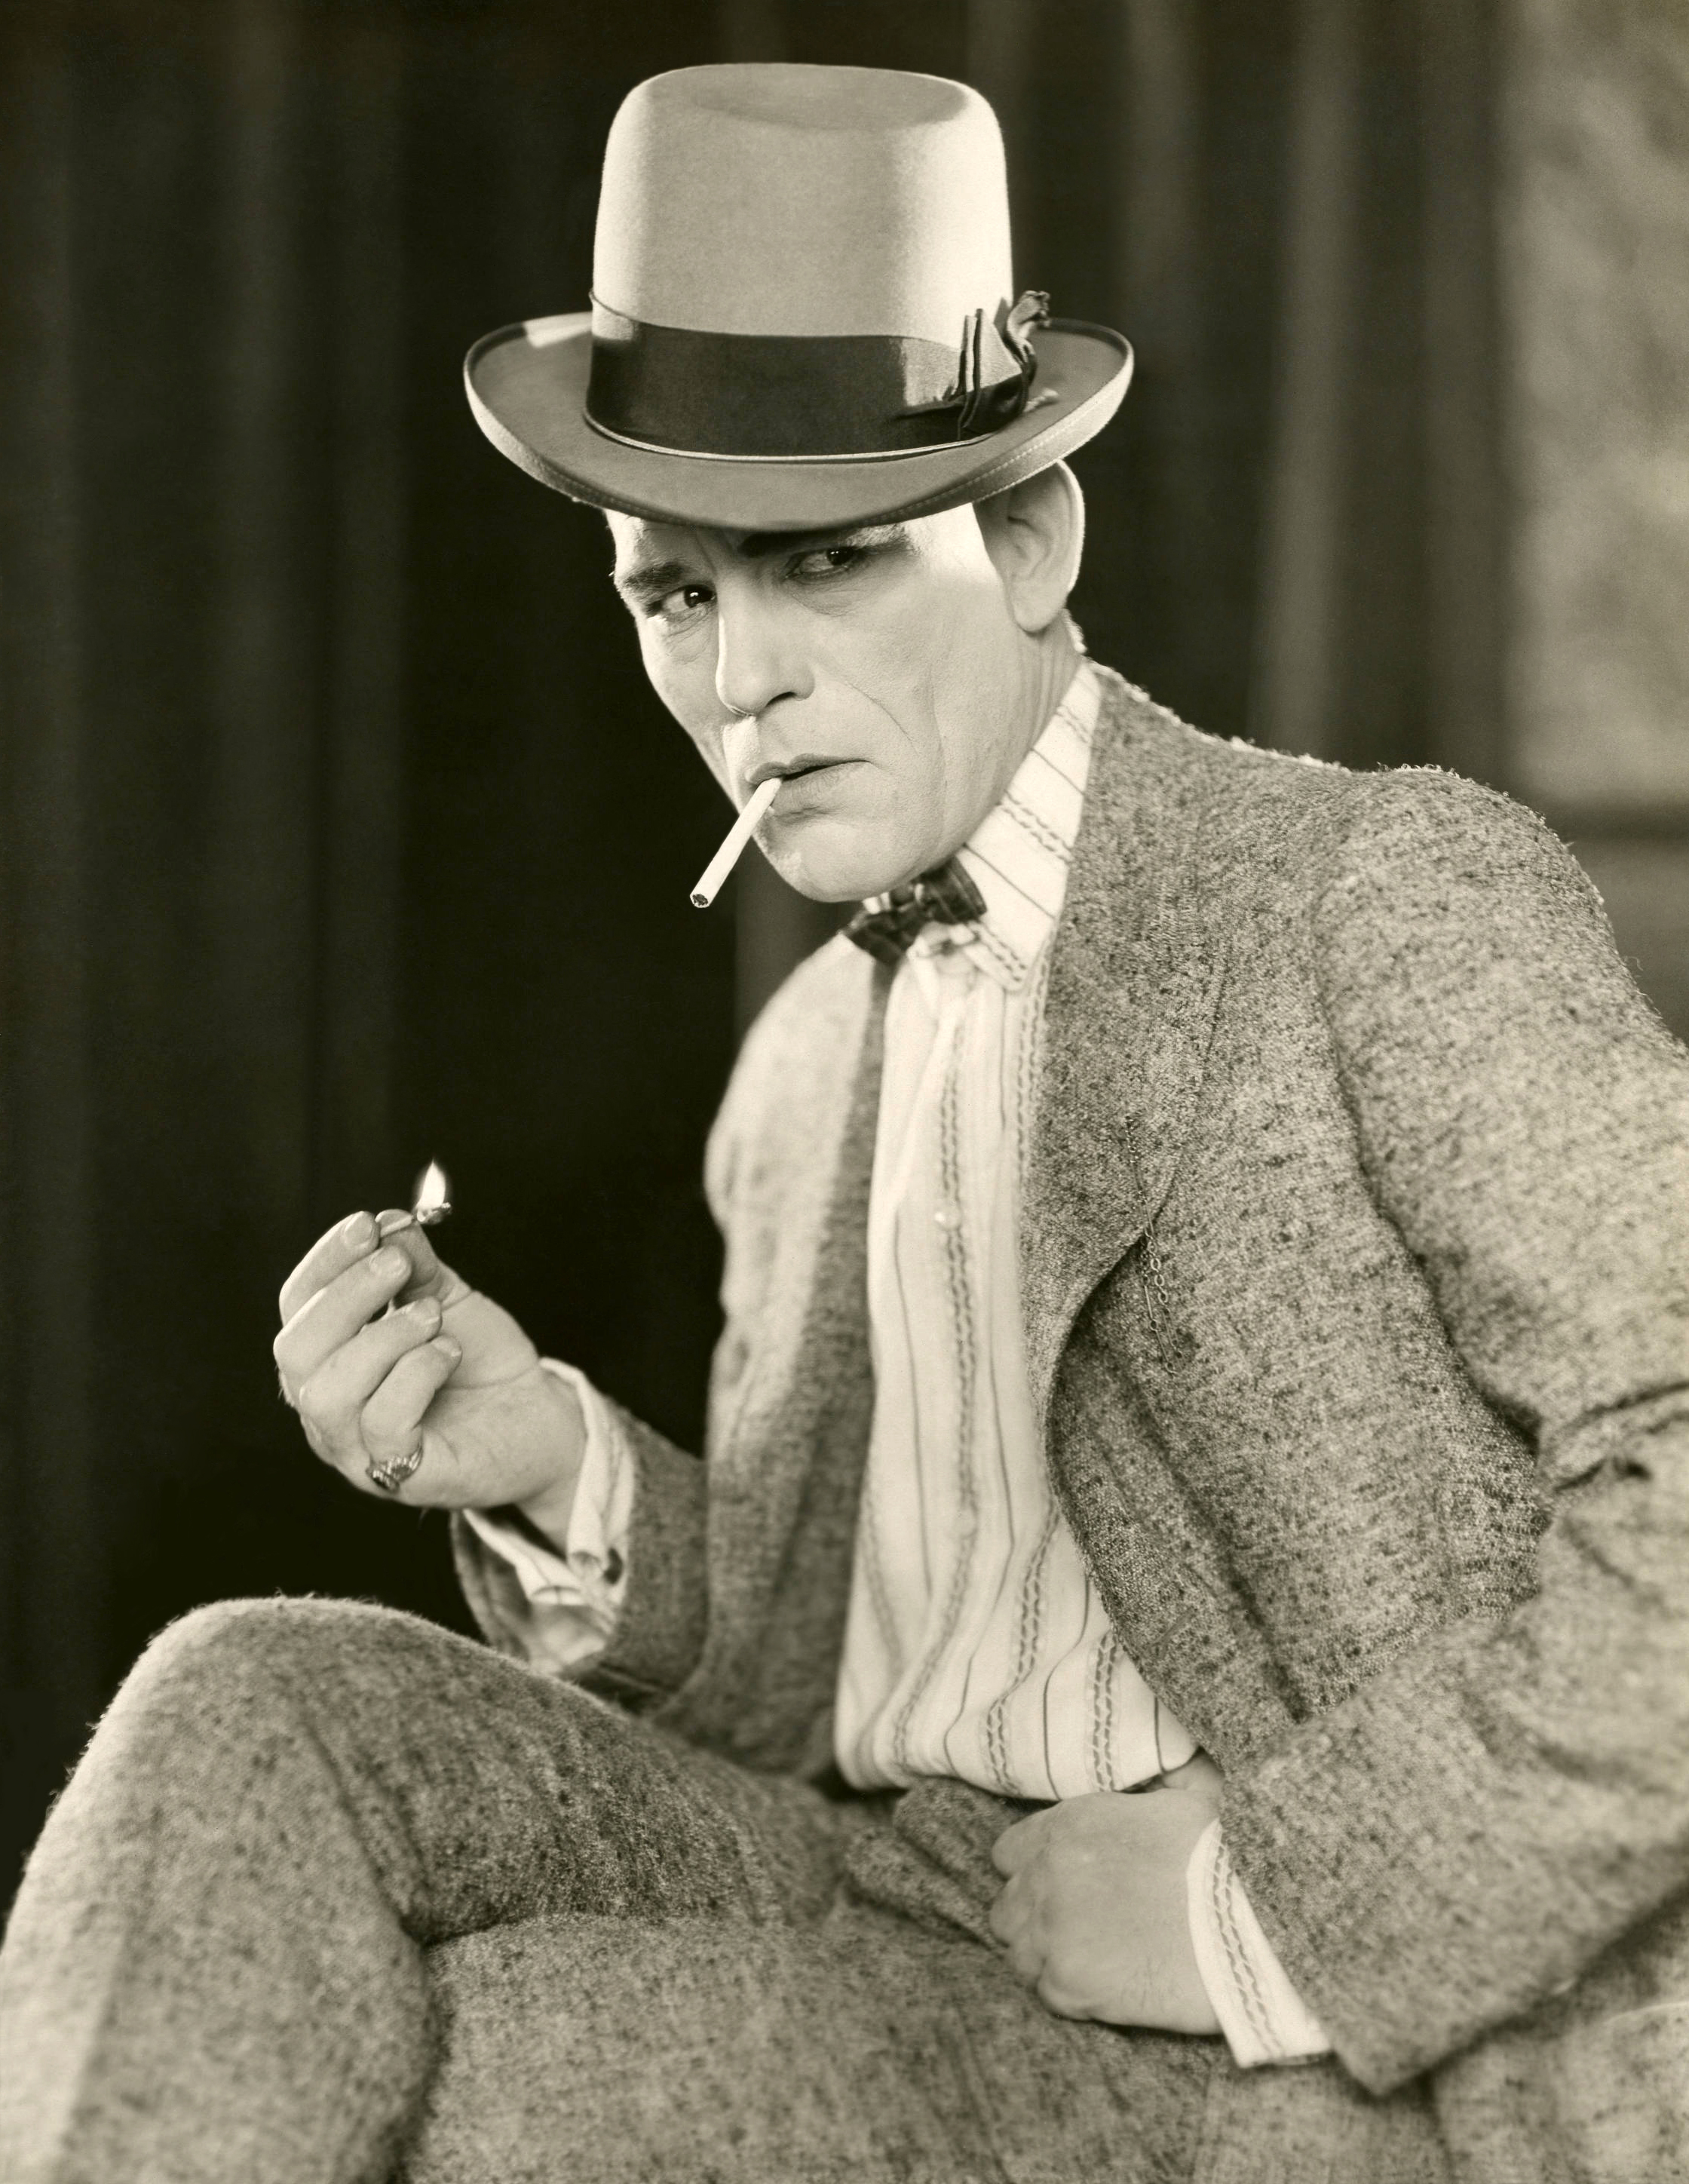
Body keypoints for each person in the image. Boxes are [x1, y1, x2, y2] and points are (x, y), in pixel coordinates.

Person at [2, 60, 1686, 2184]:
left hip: (1309, 2045)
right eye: (679, 594)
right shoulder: (805, 1064)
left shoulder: (1372, 895)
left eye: (828, 564)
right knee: (253, 1703)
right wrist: (556, 1468)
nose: (746, 685)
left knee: (503, 2072)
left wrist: (1256, 1911)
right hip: (882, 1901)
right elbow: (825, 1684)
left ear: (1031, 538)